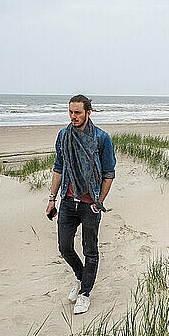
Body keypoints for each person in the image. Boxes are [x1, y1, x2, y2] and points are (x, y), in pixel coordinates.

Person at [46, 94, 116, 314]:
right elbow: (59, 167)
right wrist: (51, 198)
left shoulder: (101, 139)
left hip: (89, 204)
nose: (73, 116)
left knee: (90, 250)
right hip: (67, 202)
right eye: (70, 112)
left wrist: (99, 202)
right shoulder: (64, 136)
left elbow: (109, 174)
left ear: (88, 112)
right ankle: (80, 276)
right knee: (64, 246)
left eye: (77, 112)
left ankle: (85, 293)